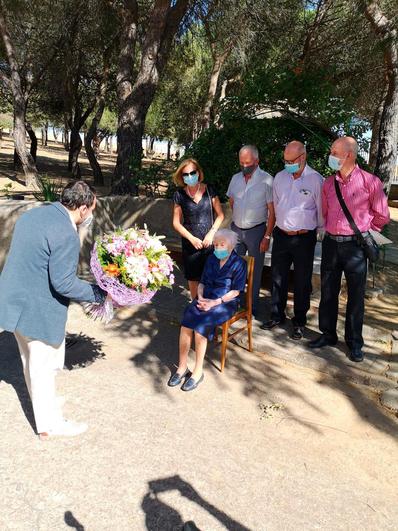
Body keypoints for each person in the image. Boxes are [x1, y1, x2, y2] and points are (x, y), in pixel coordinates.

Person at [0, 181, 106, 439]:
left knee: (30, 361)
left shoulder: (35, 213)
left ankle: (44, 405)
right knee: (43, 367)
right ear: (82, 208)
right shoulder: (65, 232)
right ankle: (49, 425)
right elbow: (64, 282)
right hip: (36, 308)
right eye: (91, 210)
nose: (91, 215)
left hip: (13, 300)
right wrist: (100, 293)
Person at [309, 136, 390, 361]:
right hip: (331, 244)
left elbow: (383, 215)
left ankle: (354, 342)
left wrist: (365, 231)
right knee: (328, 293)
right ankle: (327, 334)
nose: (331, 156)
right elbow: (325, 213)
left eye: (335, 152)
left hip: (355, 247)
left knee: (355, 297)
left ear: (349, 155)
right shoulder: (328, 183)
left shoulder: (370, 182)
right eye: (332, 151)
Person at [168, 229, 247, 391]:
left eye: (222, 244)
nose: (218, 248)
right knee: (186, 323)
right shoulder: (211, 259)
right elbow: (202, 281)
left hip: (225, 302)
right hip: (205, 297)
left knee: (200, 328)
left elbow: (236, 291)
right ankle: (182, 367)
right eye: (216, 244)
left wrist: (214, 303)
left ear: (231, 246)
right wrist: (201, 296)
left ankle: (197, 371)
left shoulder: (239, 263)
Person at [262, 141, 323, 340]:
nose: (287, 164)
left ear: (303, 157)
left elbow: (321, 211)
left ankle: (299, 322)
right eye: (285, 160)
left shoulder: (315, 180)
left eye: (291, 161)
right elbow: (276, 207)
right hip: (281, 235)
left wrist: (321, 234)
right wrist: (269, 233)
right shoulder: (280, 177)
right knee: (277, 277)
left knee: (301, 281)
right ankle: (277, 315)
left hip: (304, 238)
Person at [227, 145, 275, 317]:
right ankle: (235, 303)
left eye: (247, 162)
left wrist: (267, 235)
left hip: (257, 231)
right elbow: (232, 202)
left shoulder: (267, 180)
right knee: (235, 268)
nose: (244, 165)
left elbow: (272, 211)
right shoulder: (235, 178)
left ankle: (251, 307)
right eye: (241, 162)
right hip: (236, 230)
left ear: (257, 161)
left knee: (254, 271)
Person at [172, 158, 224, 300]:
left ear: (199, 172)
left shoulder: (210, 190)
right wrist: (191, 239)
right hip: (191, 243)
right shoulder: (179, 195)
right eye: (185, 174)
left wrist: (211, 234)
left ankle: (209, 309)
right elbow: (176, 223)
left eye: (192, 173)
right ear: (181, 177)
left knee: (210, 278)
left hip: (210, 243)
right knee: (193, 279)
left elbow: (220, 215)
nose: (189, 176)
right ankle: (196, 309)